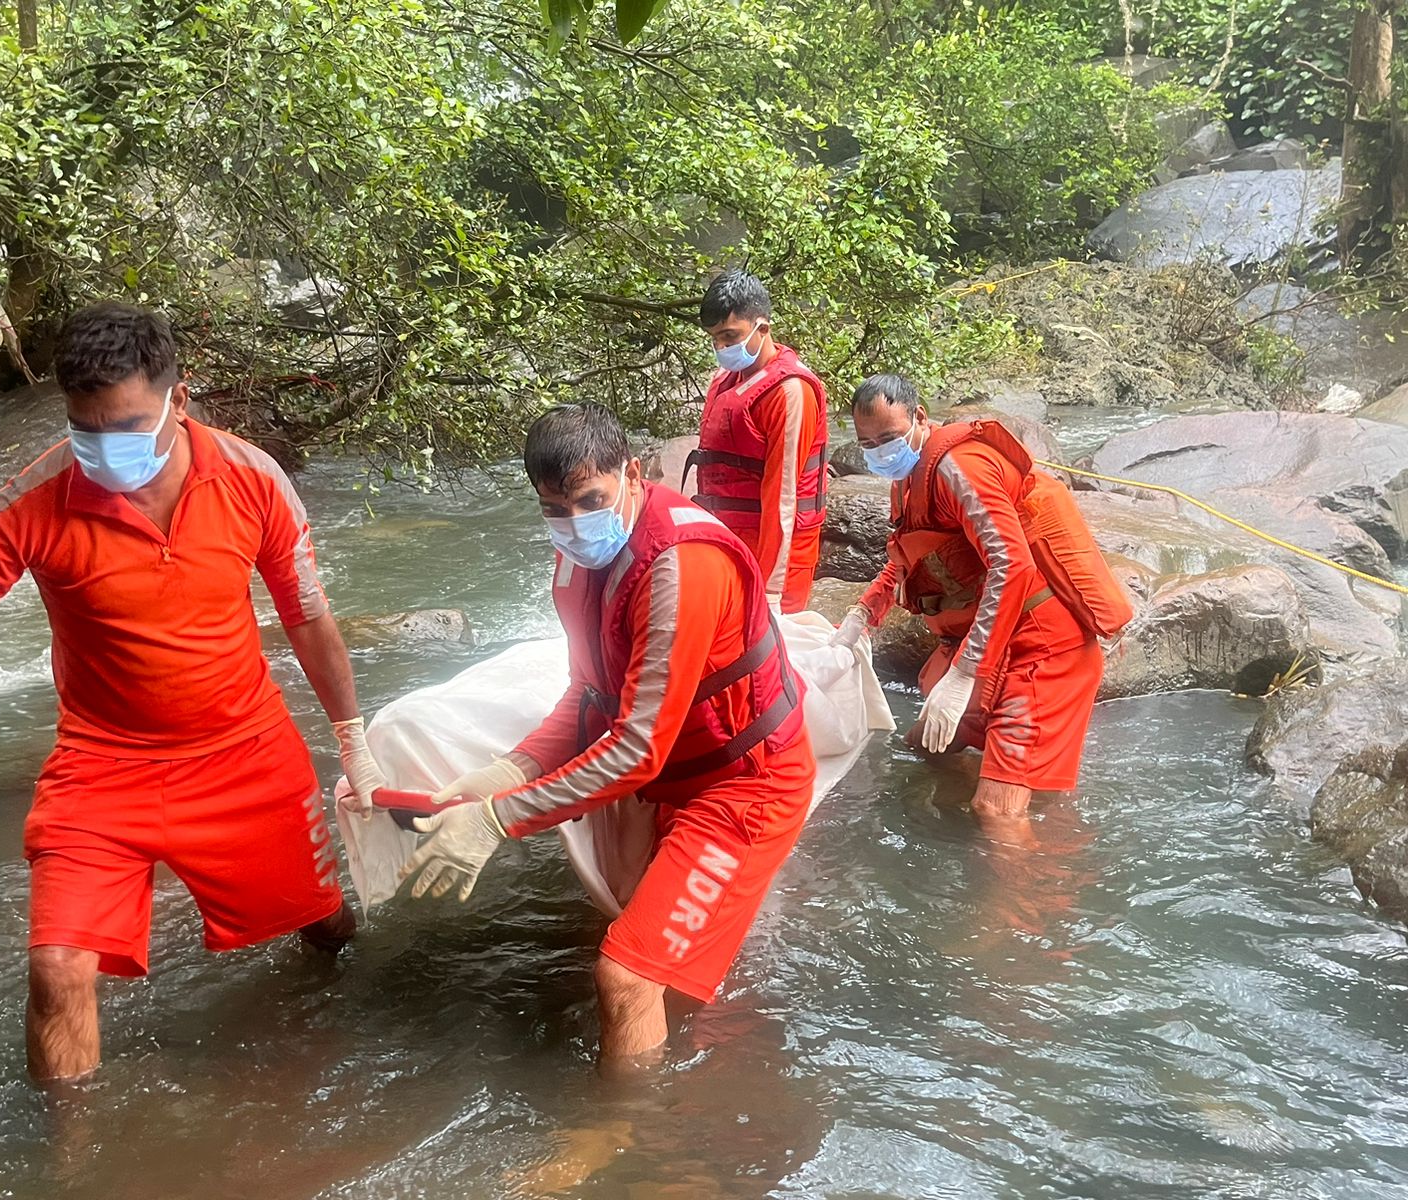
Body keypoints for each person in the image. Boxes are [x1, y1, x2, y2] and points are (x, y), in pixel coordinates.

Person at [0, 302, 386, 1083]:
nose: (106, 448)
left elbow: (310, 619)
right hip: (101, 766)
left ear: (179, 402)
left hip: (244, 752)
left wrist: (355, 743)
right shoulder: (33, 501)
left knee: (324, 927)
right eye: (87, 428)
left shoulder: (253, 480)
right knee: (57, 968)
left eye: (128, 425)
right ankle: (72, 1164)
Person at [397, 403, 816, 1067]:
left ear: (635, 472)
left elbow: (634, 751)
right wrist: (513, 767)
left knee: (625, 979)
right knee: (635, 945)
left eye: (590, 500)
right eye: (554, 510)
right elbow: (588, 692)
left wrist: (498, 820)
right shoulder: (579, 559)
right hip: (674, 772)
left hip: (745, 785)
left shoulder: (680, 568)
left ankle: (622, 1140)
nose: (572, 524)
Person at [830, 374, 1129, 827]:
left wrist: (964, 673)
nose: (878, 451)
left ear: (920, 418)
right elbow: (911, 555)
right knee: (922, 750)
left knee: (996, 813)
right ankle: (1016, 786)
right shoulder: (910, 478)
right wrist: (862, 615)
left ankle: (1037, 875)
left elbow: (1013, 565)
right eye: (866, 443)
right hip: (994, 642)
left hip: (1041, 652)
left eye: (887, 438)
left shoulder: (959, 468)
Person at [683, 270, 829, 613]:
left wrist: (771, 592)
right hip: (729, 539)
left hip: (780, 557)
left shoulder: (790, 391)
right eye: (715, 339)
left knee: (773, 655)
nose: (721, 347)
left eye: (729, 336)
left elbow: (784, 498)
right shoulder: (727, 379)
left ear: (762, 328)